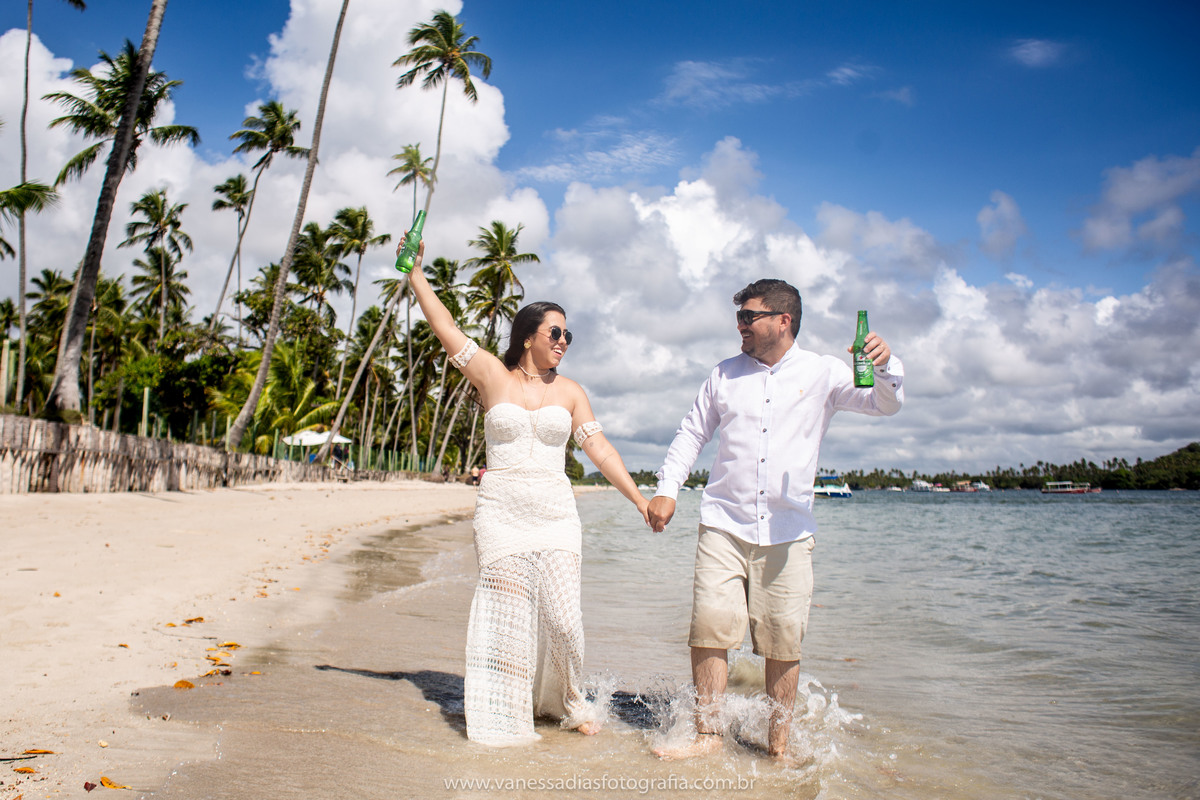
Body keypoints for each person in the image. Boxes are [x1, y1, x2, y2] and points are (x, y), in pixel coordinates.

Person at [400, 233, 651, 747]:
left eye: (568, 334)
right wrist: (415, 274)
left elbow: (599, 451)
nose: (563, 340)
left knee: (563, 621)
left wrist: (641, 501)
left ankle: (563, 701)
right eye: (555, 331)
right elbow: (445, 327)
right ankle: (503, 710)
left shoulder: (572, 391)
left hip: (556, 513)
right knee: (508, 619)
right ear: (530, 335)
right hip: (501, 512)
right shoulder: (492, 375)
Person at [647, 279, 904, 760]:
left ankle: (778, 746)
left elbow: (884, 404)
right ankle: (707, 736)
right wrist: (667, 490)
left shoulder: (824, 371)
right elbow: (690, 434)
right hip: (724, 521)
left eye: (749, 316)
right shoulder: (723, 374)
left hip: (789, 530)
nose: (739, 324)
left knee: (783, 639)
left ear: (783, 320)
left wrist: (887, 367)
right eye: (739, 316)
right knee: (710, 628)